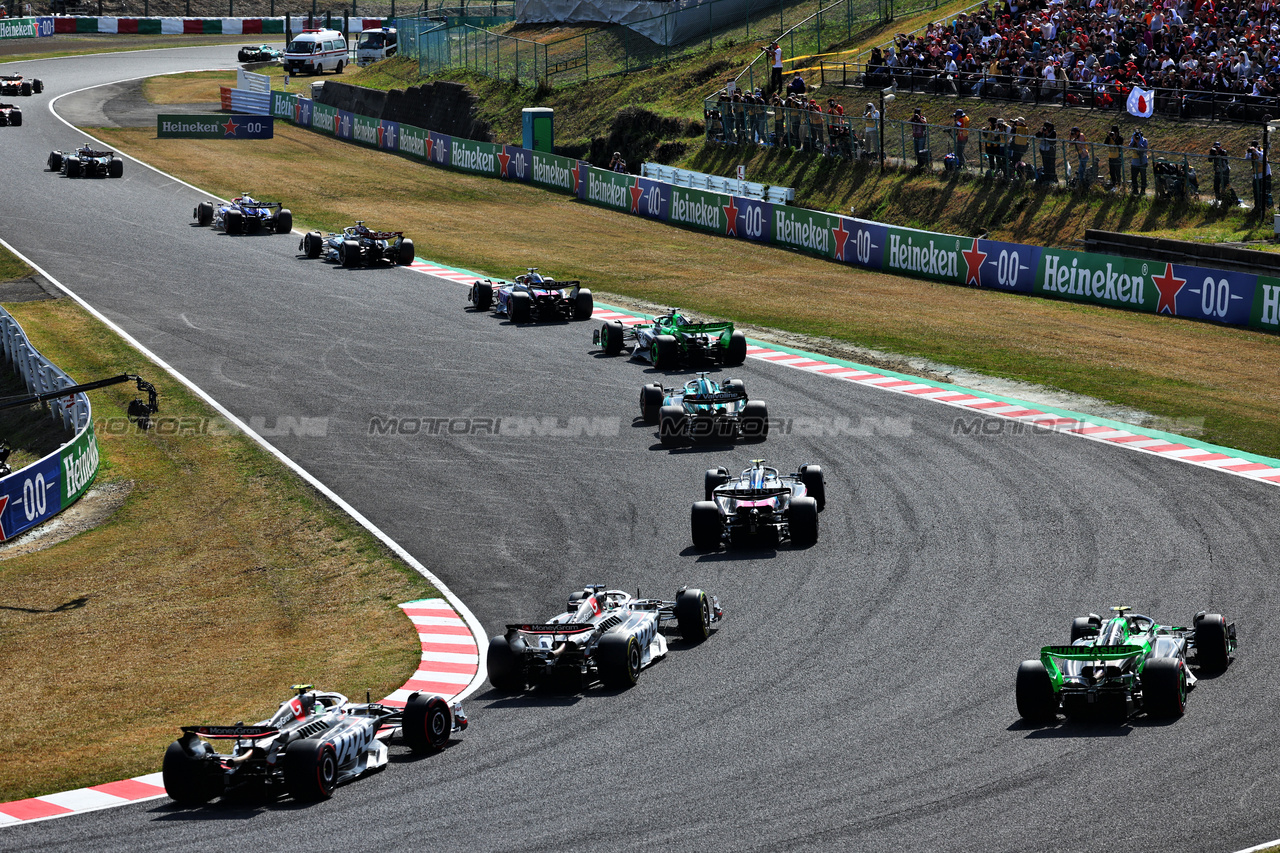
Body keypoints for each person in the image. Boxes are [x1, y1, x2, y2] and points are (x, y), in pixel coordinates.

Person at [1036, 121, 1058, 185]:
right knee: (1045, 165)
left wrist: (1047, 134)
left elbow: (1052, 141)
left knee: (1051, 165)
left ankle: (1052, 179)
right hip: (1044, 150)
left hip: (1051, 151)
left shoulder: (1053, 132)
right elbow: (1037, 136)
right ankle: (1046, 178)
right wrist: (1040, 131)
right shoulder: (1043, 131)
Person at [1129, 129, 1149, 196]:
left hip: (1142, 162)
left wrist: (1138, 142)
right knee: (1134, 177)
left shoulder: (1144, 140)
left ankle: (1143, 191)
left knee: (1143, 177)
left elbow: (1144, 148)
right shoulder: (1133, 141)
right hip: (1135, 162)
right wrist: (1134, 140)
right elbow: (1130, 147)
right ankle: (1135, 190)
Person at [1104, 125, 1124, 190]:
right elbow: (1105, 143)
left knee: (1118, 172)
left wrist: (1114, 138)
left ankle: (1119, 185)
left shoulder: (1120, 138)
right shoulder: (1110, 138)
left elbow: (1119, 144)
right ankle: (1113, 185)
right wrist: (1108, 136)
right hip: (1111, 157)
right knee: (1112, 172)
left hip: (1117, 157)